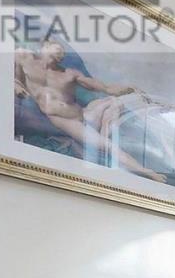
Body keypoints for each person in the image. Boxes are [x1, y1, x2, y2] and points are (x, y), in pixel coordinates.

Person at [12, 41, 166, 181]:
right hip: (66, 120)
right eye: (57, 49)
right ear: (44, 46)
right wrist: (17, 87)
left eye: (61, 53)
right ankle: (144, 171)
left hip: (84, 113)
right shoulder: (24, 60)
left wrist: (129, 88)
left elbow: (106, 88)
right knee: (106, 145)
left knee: (115, 110)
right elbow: (14, 78)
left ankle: (145, 171)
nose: (60, 54)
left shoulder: (70, 73)